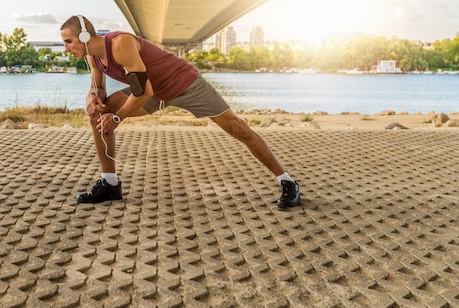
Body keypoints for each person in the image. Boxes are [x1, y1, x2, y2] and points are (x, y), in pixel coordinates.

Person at [60, 15, 300, 209]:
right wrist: (92, 97)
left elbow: (142, 92)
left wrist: (116, 117)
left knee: (238, 129)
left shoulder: (120, 44)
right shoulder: (92, 57)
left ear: (84, 36)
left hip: (183, 84)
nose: (65, 48)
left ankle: (287, 181)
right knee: (96, 115)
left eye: (68, 41)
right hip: (154, 91)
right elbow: (98, 87)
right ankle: (110, 184)